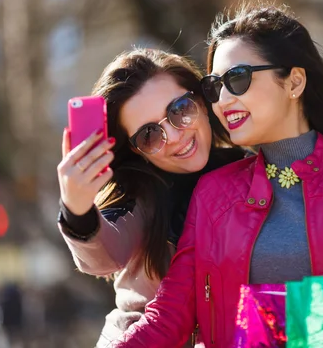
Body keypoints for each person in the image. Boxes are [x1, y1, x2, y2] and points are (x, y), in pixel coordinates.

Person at [112, 2, 323, 347]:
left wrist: (272, 321)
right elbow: (168, 318)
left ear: (294, 82)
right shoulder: (214, 192)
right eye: (215, 87)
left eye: (238, 79)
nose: (223, 101)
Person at [56, 49, 244, 347]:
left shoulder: (250, 170)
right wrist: (76, 208)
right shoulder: (140, 194)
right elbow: (106, 255)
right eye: (149, 135)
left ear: (203, 101)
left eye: (180, 109)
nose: (174, 135)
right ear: (135, 151)